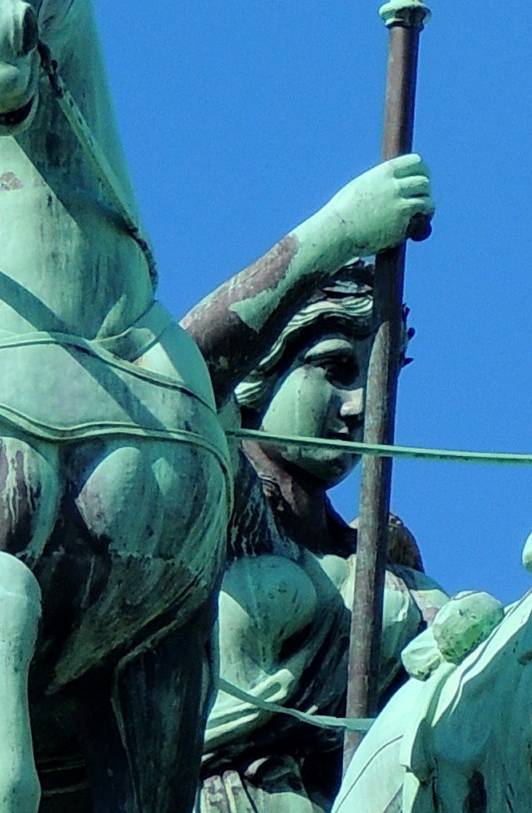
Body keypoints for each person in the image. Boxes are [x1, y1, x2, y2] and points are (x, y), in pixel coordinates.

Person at [180, 155, 443, 813]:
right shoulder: (211, 490)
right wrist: (334, 233)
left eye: (379, 383)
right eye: (335, 368)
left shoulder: (384, 570)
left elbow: (484, 658)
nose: (361, 406)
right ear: (257, 372)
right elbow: (177, 370)